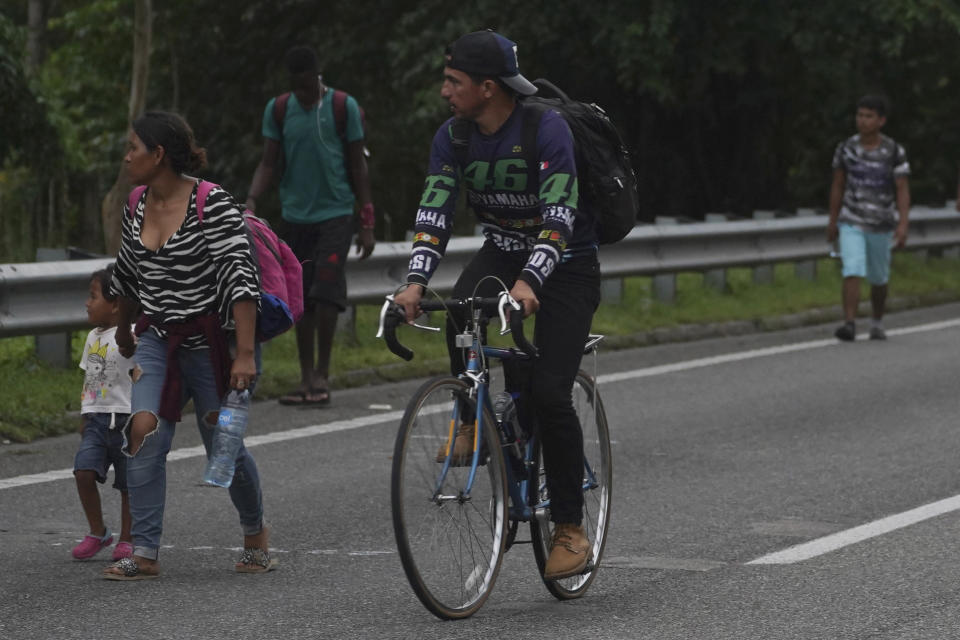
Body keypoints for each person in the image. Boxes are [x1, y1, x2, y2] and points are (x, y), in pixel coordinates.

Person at [392, 30, 601, 581]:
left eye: (453, 82)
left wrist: (532, 281)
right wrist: (414, 282)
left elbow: (559, 215)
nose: (445, 92)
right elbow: (434, 211)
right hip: (503, 253)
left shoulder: (546, 128)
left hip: (567, 266)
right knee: (461, 305)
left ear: (488, 88)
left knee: (551, 393)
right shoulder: (454, 138)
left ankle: (571, 529)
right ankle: (470, 417)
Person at [103, 111, 274, 580]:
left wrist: (243, 354)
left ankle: (255, 532)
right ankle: (144, 551)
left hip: (214, 340)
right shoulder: (136, 202)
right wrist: (122, 331)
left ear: (158, 154)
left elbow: (240, 278)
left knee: (223, 444)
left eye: (133, 147)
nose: (126, 156)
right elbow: (127, 273)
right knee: (142, 433)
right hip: (156, 336)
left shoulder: (210, 202)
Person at [245, 44, 375, 407]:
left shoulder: (341, 107)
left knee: (326, 292)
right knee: (300, 297)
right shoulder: (280, 109)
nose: (302, 94)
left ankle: (322, 374)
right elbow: (268, 162)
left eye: (307, 86)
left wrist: (367, 220)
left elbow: (358, 166)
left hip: (336, 213)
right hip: (296, 216)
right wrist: (252, 199)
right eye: (296, 87)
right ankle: (305, 379)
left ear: (317, 77)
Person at [827, 95, 911, 341]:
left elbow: (902, 188)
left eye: (869, 116)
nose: (862, 121)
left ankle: (876, 320)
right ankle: (849, 323)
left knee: (878, 277)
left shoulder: (893, 151)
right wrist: (833, 220)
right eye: (860, 115)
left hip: (881, 222)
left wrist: (903, 223)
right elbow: (838, 184)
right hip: (852, 218)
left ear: (881, 120)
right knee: (852, 267)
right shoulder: (846, 149)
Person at [72, 264, 134, 562]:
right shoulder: (92, 338)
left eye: (93, 296)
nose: (87, 303)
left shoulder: (132, 336)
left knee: (127, 484)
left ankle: (127, 538)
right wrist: (84, 416)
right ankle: (98, 532)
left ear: (115, 305)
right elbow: (89, 380)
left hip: (126, 420)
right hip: (96, 419)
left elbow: (141, 376)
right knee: (83, 472)